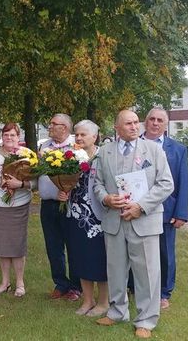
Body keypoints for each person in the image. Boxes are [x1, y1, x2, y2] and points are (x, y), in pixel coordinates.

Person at [93, 109, 174, 339]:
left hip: (144, 220)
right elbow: (97, 184)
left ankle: (146, 320)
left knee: (147, 272)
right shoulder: (104, 152)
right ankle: (117, 311)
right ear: (116, 128)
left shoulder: (154, 150)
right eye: (128, 123)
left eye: (136, 122)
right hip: (114, 221)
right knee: (116, 270)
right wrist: (106, 198)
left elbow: (166, 184)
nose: (134, 126)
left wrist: (141, 206)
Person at [58, 120, 108, 316]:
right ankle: (88, 300)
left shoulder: (103, 156)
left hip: (98, 218)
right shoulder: (70, 157)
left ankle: (104, 302)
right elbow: (64, 183)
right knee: (79, 258)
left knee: (100, 260)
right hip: (76, 215)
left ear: (94, 137)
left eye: (83, 135)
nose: (78, 138)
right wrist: (62, 192)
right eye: (76, 134)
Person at [143, 108, 188, 309]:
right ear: (145, 122)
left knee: (165, 253)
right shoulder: (133, 145)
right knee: (135, 250)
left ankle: (164, 292)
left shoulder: (177, 150)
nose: (155, 123)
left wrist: (181, 213)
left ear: (166, 124)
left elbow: (182, 182)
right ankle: (134, 286)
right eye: (151, 119)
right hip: (135, 207)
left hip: (166, 211)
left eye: (160, 120)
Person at [0, 123, 34, 297]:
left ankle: (20, 283)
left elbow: (35, 182)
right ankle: (5, 282)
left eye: (12, 135)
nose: (9, 138)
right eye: (6, 135)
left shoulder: (27, 155)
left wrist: (20, 184)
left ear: (18, 136)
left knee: (17, 245)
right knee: (2, 245)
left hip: (18, 206)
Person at [38, 113, 81, 301]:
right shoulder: (44, 146)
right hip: (47, 204)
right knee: (53, 246)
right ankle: (60, 283)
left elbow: (83, 174)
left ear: (65, 127)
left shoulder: (76, 147)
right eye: (50, 123)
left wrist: (69, 190)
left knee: (73, 245)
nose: (50, 126)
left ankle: (76, 285)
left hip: (70, 204)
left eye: (53, 124)